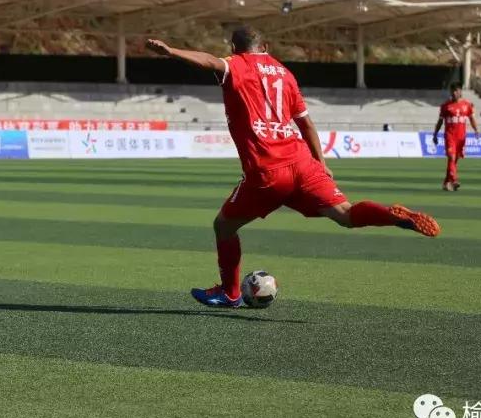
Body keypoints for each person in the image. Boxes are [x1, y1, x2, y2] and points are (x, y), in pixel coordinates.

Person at [146, 27, 440, 309]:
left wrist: (171, 51)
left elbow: (209, 61)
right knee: (346, 215)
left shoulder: (236, 64)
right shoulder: (285, 74)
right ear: (266, 48)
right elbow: (306, 123)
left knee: (223, 227)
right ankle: (391, 216)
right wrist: (321, 165)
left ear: (234, 48)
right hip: (303, 163)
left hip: (267, 170)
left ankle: (230, 292)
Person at [433, 83, 479, 192]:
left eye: (456, 91)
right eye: (452, 91)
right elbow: (440, 121)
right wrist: (435, 134)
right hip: (450, 136)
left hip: (461, 138)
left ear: (460, 92)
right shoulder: (445, 106)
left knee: (454, 161)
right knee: (451, 157)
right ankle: (454, 180)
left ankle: (446, 183)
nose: (454, 93)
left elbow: (471, 119)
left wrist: (476, 130)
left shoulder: (467, 105)